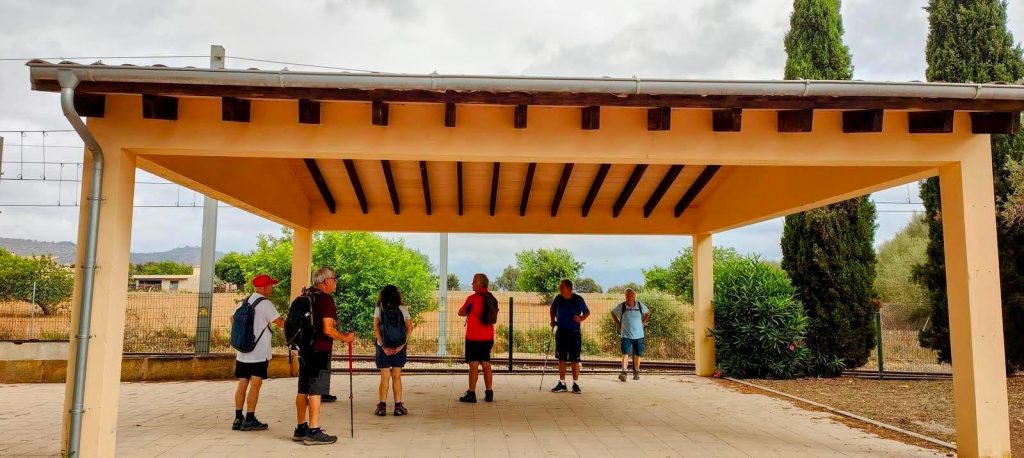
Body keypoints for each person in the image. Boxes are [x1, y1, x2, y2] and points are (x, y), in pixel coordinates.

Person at [294, 266, 355, 446]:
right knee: (316, 391)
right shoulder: (326, 299)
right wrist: (345, 338)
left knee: (303, 389)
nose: (335, 282)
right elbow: (327, 329)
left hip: (304, 349)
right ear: (327, 281)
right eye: (334, 279)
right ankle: (313, 431)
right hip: (319, 350)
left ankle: (301, 428)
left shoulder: (304, 296)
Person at [232, 274, 285, 431]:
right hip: (258, 353)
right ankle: (249, 419)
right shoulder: (266, 303)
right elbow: (280, 323)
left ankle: (238, 418)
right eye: (271, 285)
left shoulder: (244, 302)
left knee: (242, 383)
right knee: (256, 384)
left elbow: (232, 319)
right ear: (265, 287)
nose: (272, 288)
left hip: (242, 352)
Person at [373, 285, 413, 416]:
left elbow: (376, 328)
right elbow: (409, 327)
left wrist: (382, 345)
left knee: (384, 377)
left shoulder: (379, 308)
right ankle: (398, 407)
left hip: (383, 346)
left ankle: (382, 407)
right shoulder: (403, 308)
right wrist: (402, 345)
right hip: (399, 346)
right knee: (397, 376)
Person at [458, 273, 497, 403]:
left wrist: (467, 311)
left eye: (474, 281)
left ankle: (471, 393)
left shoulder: (472, 299)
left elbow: (461, 312)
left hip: (473, 337)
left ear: (480, 284)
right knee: (486, 364)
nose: (472, 284)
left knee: (473, 364)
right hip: (488, 337)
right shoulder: (491, 298)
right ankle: (489, 392)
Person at [549, 279, 590, 394]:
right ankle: (562, 383)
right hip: (561, 332)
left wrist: (581, 318)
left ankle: (575, 384)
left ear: (569, 288)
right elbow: (552, 309)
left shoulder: (578, 299)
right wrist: (552, 320)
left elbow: (587, 312)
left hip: (574, 333)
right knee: (561, 358)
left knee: (575, 359)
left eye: (562, 287)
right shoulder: (558, 298)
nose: (560, 289)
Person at [611, 289, 650, 381]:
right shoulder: (622, 306)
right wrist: (618, 324)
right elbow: (613, 312)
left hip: (639, 335)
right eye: (627, 296)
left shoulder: (639, 305)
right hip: (626, 335)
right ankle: (624, 373)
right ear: (625, 296)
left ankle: (636, 372)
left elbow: (648, 312)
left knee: (638, 354)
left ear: (634, 296)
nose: (629, 297)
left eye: (631, 296)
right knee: (625, 353)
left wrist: (643, 322)